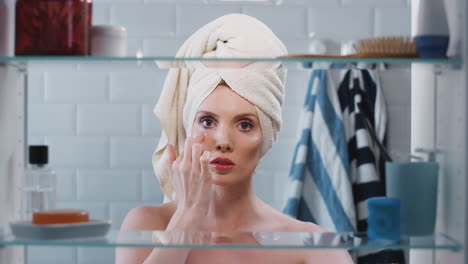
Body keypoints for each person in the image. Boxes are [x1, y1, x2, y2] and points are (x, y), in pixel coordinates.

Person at [115, 14, 354, 264]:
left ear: (266, 136)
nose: (223, 141)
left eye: (244, 124)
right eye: (207, 121)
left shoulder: (311, 244)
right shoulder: (147, 223)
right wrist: (187, 216)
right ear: (188, 127)